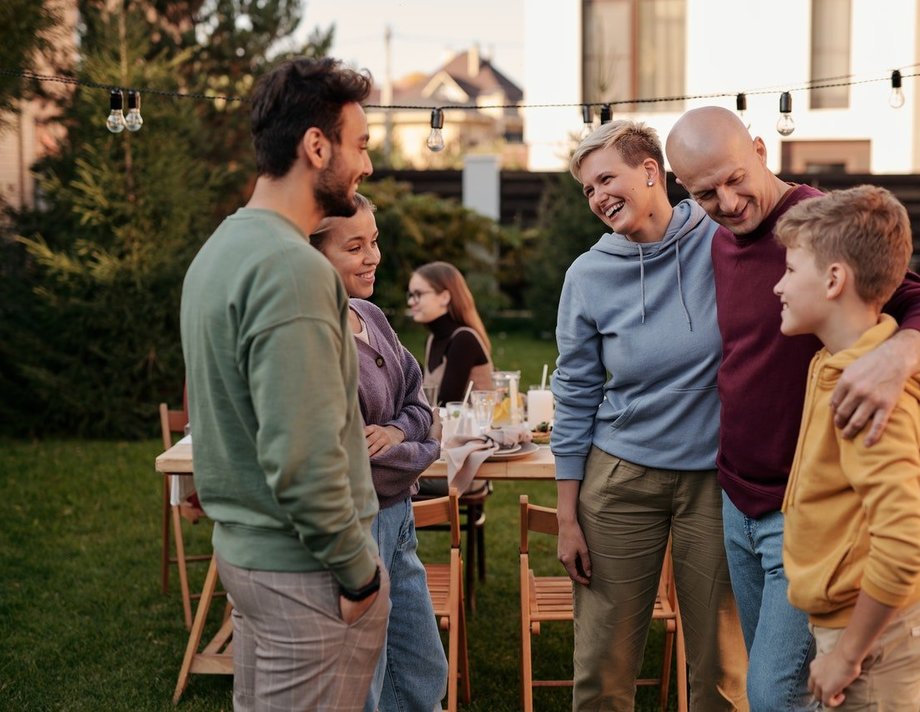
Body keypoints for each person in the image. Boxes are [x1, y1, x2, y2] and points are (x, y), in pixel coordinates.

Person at [665, 106, 920, 711]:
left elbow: (909, 294)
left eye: (734, 179)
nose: (727, 203)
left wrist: (902, 351)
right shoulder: (719, 238)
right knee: (785, 682)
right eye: (705, 194)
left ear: (759, 148)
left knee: (773, 692)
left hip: (806, 511)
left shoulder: (815, 229)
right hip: (738, 497)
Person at [180, 57, 388, 711]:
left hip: (253, 558)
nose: (367, 167)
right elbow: (302, 456)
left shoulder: (223, 249)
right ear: (316, 145)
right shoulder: (291, 268)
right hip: (306, 575)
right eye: (360, 145)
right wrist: (358, 573)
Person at [552, 119, 748, 711]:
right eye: (588, 189)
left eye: (606, 178)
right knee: (603, 665)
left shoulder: (722, 237)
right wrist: (566, 516)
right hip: (619, 480)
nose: (598, 196)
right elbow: (576, 390)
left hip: (716, 480)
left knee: (721, 665)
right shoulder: (587, 276)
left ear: (650, 171)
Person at [774, 185, 920, 709]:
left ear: (835, 279)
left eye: (791, 270)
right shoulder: (837, 366)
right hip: (856, 629)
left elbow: (905, 542)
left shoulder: (866, 394)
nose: (777, 286)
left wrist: (848, 655)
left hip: (878, 645)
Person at [309, 194, 448, 712]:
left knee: (420, 671)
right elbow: (349, 454)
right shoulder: (313, 336)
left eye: (375, 242)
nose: (373, 257)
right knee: (362, 683)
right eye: (354, 246)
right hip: (354, 526)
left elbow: (419, 403)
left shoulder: (370, 316)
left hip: (398, 520)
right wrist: (423, 448)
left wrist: (398, 432)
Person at [408, 261, 493, 406]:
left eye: (418, 294)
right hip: (447, 427)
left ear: (444, 297)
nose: (411, 302)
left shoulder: (464, 339)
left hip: (478, 427)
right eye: (410, 295)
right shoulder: (432, 339)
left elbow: (445, 404)